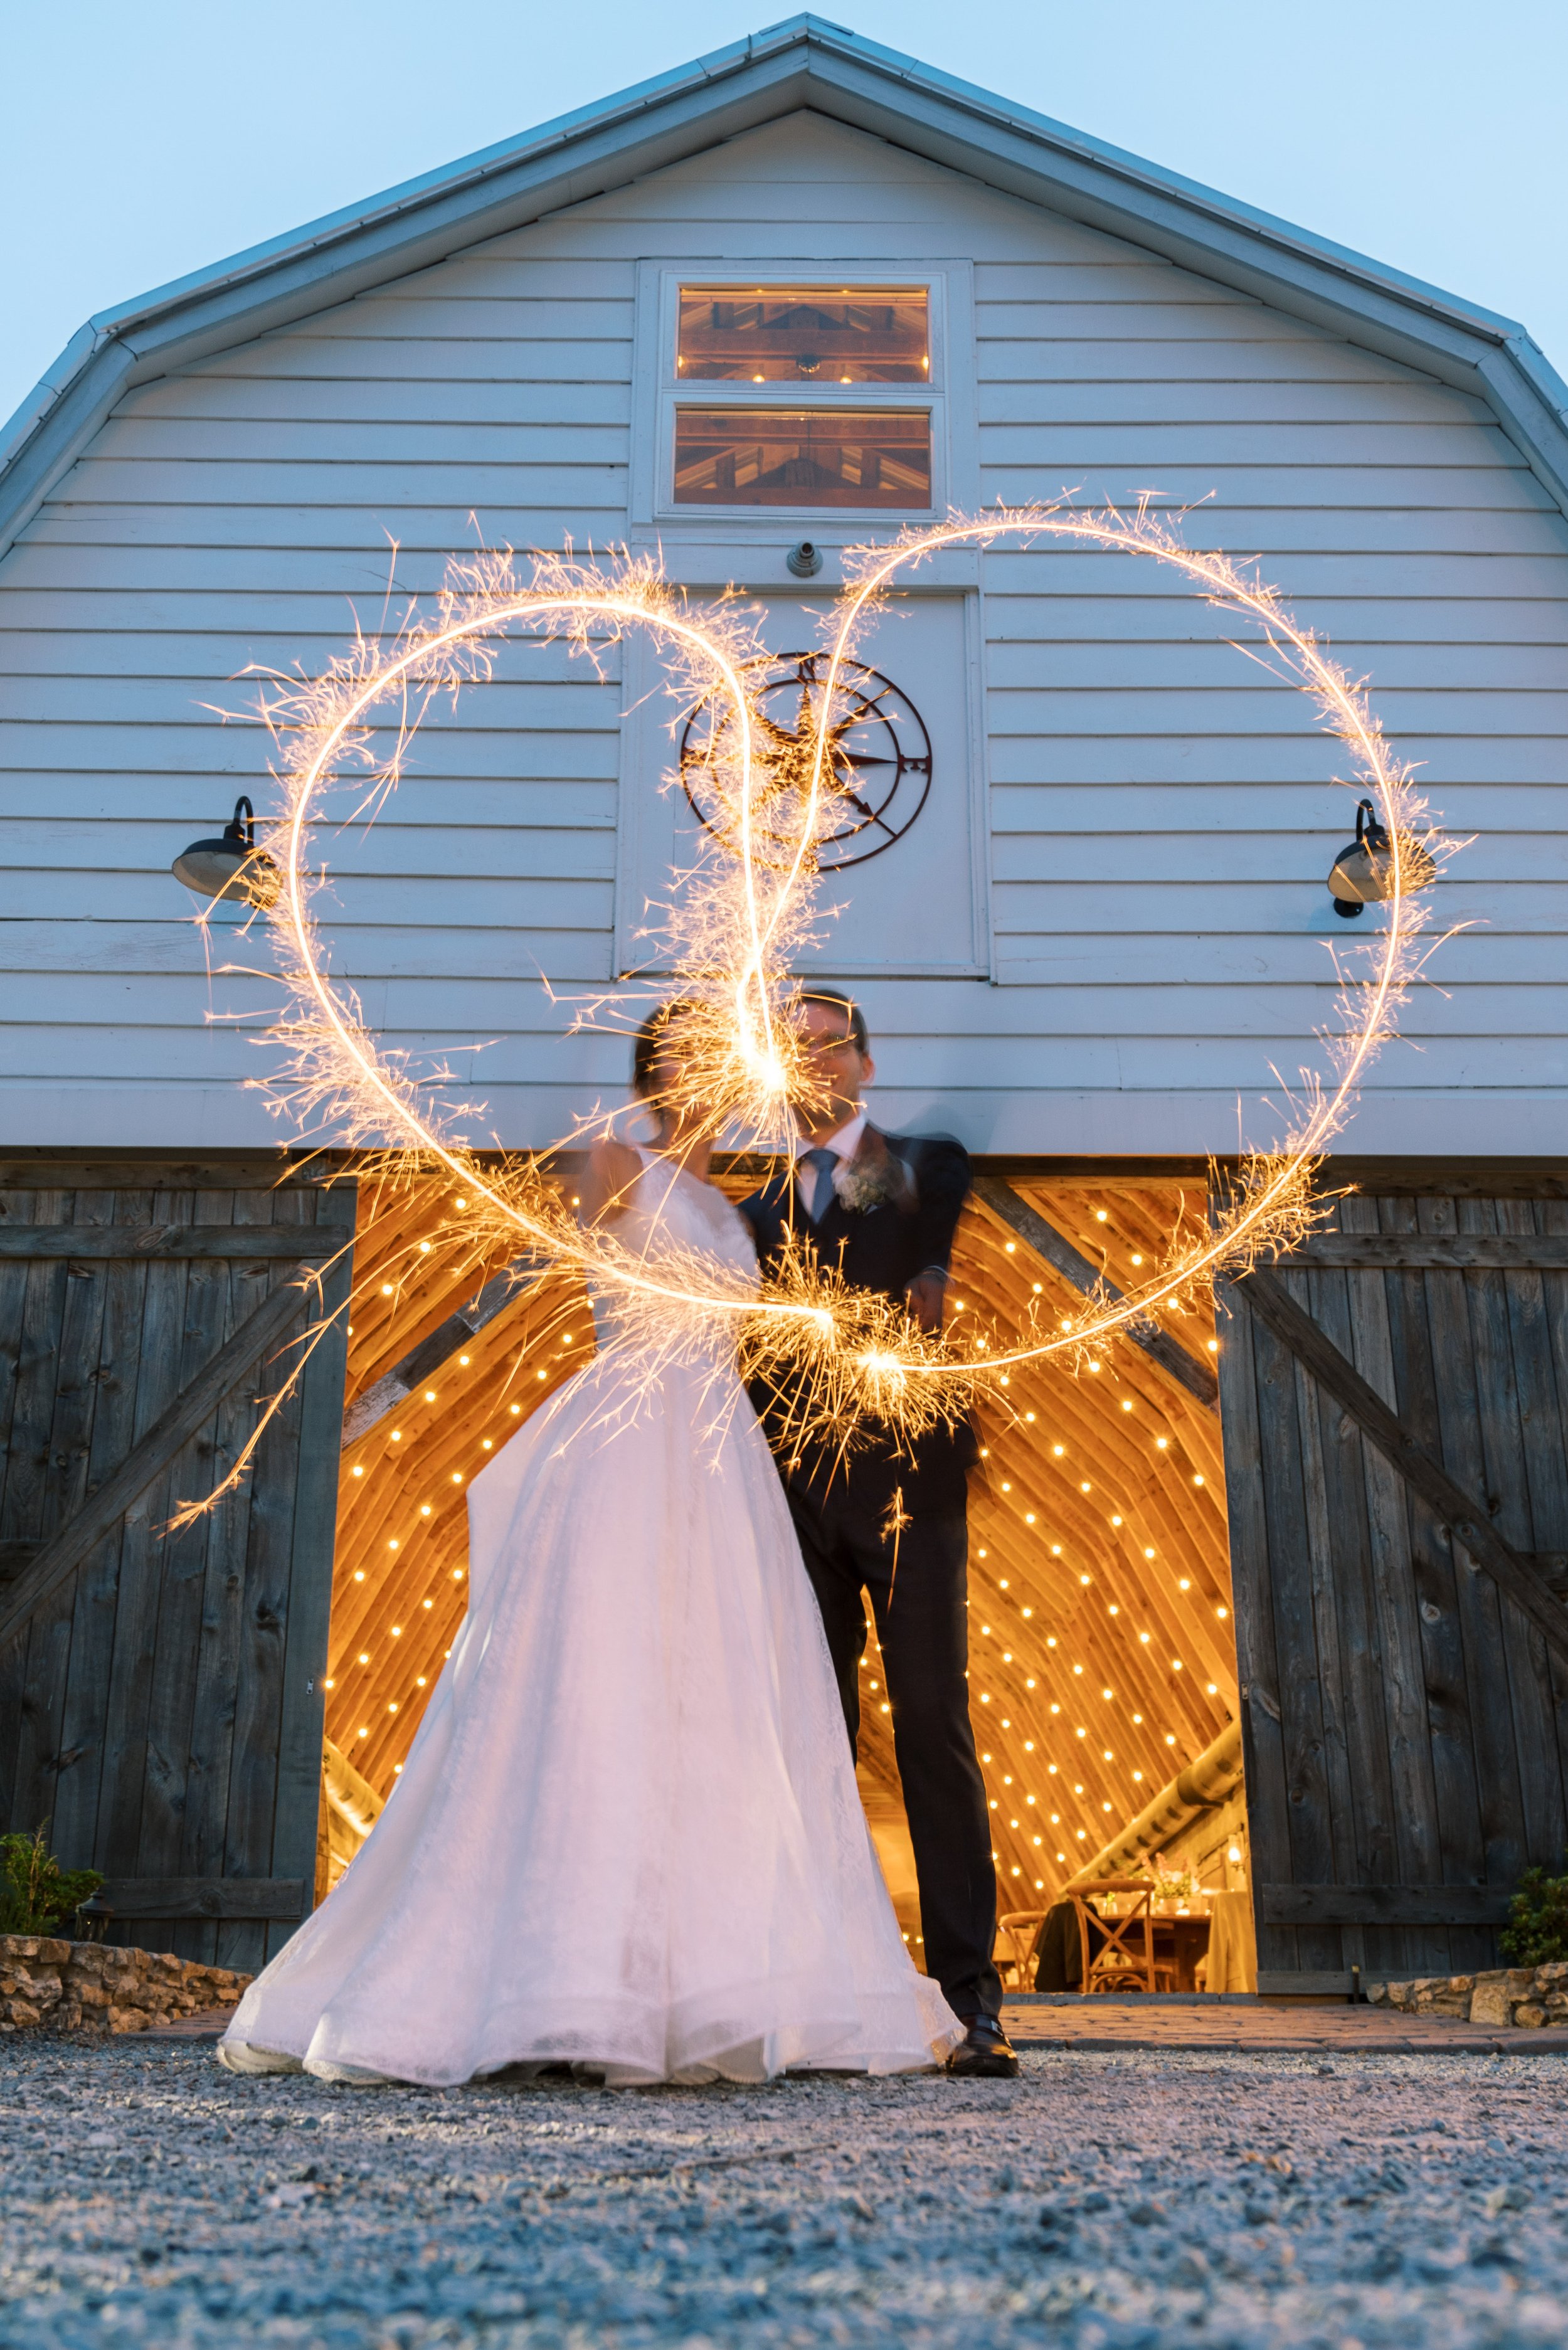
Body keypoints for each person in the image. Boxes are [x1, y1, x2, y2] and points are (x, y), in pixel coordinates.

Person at [217, 1002, 961, 2088]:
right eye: (688, 1062)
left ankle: (702, 1981)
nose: (709, 1077)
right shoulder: (613, 1159)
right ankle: (559, 1983)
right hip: (625, 1440)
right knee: (594, 1694)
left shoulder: (746, 1211)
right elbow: (566, 1251)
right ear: (661, 1074)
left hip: (719, 1460)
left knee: (721, 1708)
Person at [739, 987, 1017, 2078]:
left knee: (931, 1726)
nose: (809, 1066)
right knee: (812, 1734)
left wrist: (909, 1292)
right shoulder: (755, 1211)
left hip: (907, 1487)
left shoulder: (922, 1165)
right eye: (789, 1052)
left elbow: (920, 1256)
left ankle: (970, 2000)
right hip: (794, 1496)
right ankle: (822, 1988)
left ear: (861, 1061)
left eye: (825, 1048)